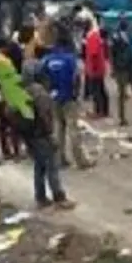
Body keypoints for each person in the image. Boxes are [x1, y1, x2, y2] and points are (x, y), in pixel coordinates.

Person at [16, 61, 74, 209]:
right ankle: (59, 197)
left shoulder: (21, 91)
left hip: (28, 134)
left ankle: (40, 196)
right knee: (51, 164)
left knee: (39, 165)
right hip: (40, 133)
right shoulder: (39, 92)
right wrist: (50, 134)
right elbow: (44, 116)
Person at [40, 32, 90, 168]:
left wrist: (49, 93)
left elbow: (42, 78)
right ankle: (80, 160)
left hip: (53, 98)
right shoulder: (70, 60)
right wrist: (76, 94)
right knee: (73, 130)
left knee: (58, 129)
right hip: (68, 98)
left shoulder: (46, 60)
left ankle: (59, 159)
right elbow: (77, 78)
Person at [83, 19, 109, 118]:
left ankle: (99, 111)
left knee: (96, 90)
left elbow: (93, 54)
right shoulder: (95, 35)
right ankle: (104, 110)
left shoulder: (91, 37)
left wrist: (92, 69)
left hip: (95, 68)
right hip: (99, 67)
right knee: (101, 89)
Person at [108, 22, 132, 126]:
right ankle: (122, 117)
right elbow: (111, 54)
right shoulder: (117, 38)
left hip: (126, 67)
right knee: (121, 93)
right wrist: (113, 68)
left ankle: (122, 116)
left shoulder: (126, 36)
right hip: (121, 68)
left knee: (123, 92)